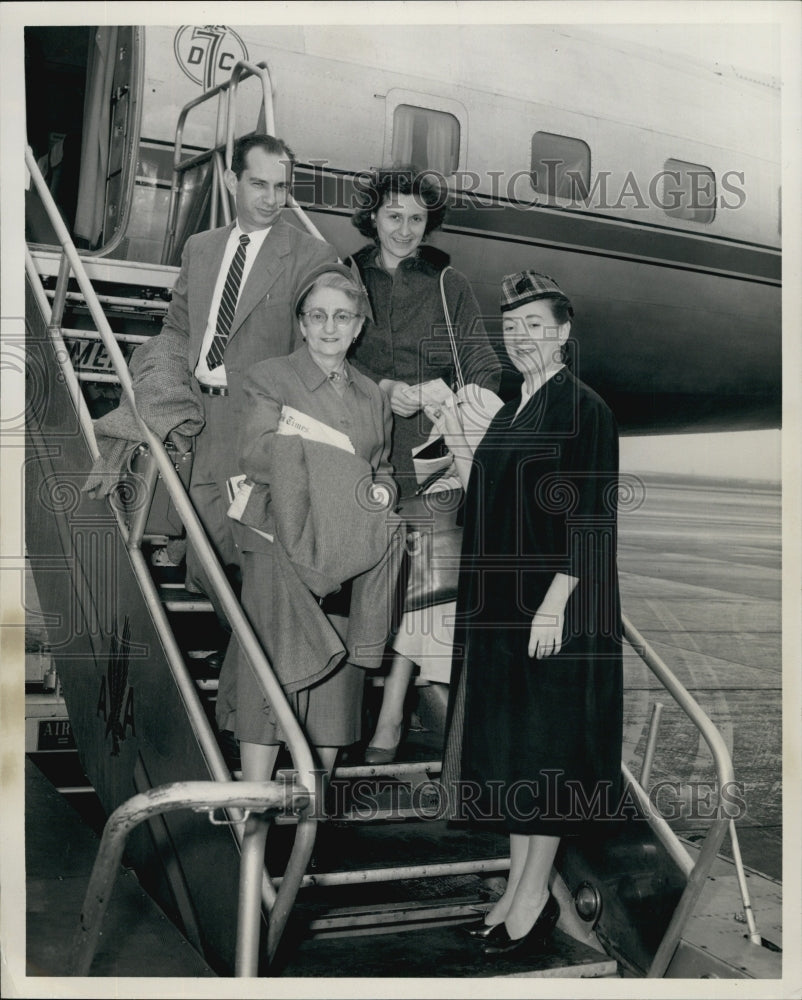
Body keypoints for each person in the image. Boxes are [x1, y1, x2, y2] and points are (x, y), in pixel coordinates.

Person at [430, 271, 623, 958]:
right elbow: (491, 500)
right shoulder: (516, 408)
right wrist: (457, 448)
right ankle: (517, 891)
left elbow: (593, 518)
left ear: (564, 333)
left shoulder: (584, 409)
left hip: (554, 609)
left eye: (536, 325)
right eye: (511, 329)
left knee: (543, 758)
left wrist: (553, 605)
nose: (521, 338)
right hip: (505, 610)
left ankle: (534, 898)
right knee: (518, 757)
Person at [215, 263, 402, 788]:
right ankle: (252, 808)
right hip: (278, 542)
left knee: (335, 688)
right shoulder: (270, 377)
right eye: (317, 316)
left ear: (359, 325)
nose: (329, 327)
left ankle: (308, 813)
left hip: (346, 549)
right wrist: (342, 467)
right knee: (268, 675)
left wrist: (382, 493)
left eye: (342, 317)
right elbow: (255, 453)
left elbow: (381, 470)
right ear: (301, 322)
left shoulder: (372, 396)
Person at [135, 133, 337, 607]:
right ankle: (239, 656)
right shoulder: (200, 247)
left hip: (258, 423)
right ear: (231, 180)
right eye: (259, 185)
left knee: (254, 561)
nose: (271, 199)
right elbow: (178, 324)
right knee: (207, 559)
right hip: (201, 420)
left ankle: (254, 666)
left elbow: (332, 329)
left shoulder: (311, 255)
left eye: (281, 188)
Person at [346, 166, 502, 763]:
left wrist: (471, 395)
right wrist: (383, 386)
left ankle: (390, 715)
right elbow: (326, 354)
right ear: (372, 218)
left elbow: (481, 361)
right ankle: (351, 701)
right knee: (365, 576)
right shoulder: (344, 276)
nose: (406, 229)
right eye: (394, 217)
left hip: (432, 452)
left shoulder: (447, 282)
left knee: (427, 587)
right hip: (363, 446)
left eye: (417, 218)